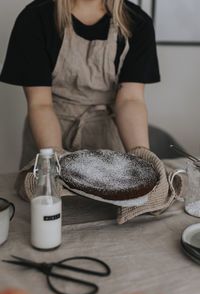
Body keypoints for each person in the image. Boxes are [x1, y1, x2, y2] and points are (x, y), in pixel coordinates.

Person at [0, 0, 160, 169]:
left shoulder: (137, 22)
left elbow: (130, 100)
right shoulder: (35, 17)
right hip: (49, 130)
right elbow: (40, 104)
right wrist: (54, 164)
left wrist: (142, 160)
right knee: (50, 191)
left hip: (106, 137)